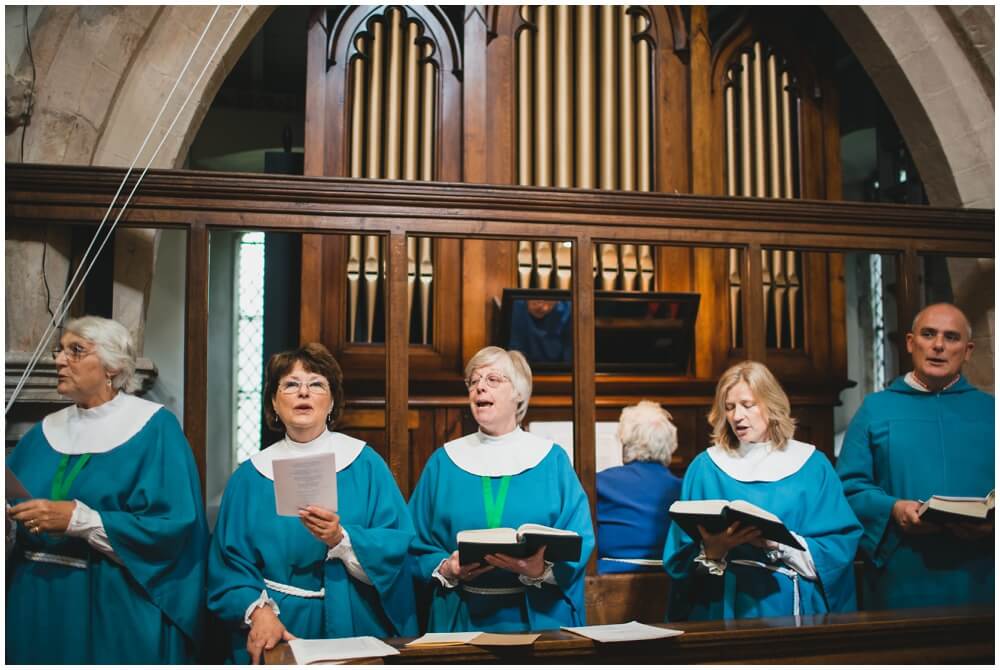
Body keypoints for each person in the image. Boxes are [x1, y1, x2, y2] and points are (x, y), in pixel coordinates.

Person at [6, 315, 208, 664]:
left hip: (113, 603)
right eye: (59, 350)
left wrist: (79, 520)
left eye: (75, 350)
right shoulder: (43, 432)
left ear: (112, 367)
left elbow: (174, 528)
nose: (58, 359)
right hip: (35, 598)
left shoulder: (154, 429)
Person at [207, 343, 417, 664]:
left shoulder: (364, 464)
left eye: (316, 384)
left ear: (332, 401)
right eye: (290, 385)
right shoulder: (249, 477)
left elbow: (396, 545)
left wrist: (342, 540)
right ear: (274, 403)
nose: (303, 393)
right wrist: (258, 611)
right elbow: (227, 564)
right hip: (279, 626)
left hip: (354, 619)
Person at [408, 346, 594, 632]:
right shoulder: (443, 462)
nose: (480, 386)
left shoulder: (551, 459)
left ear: (518, 392)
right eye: (474, 381)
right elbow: (412, 541)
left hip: (536, 618)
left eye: (493, 379)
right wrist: (447, 567)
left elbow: (580, 537)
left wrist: (541, 569)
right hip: (461, 617)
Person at [663, 361, 862, 620]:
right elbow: (679, 563)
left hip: (791, 606)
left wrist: (780, 544)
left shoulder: (813, 466)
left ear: (771, 404)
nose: (736, 416)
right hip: (724, 606)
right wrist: (714, 550)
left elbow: (837, 552)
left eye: (747, 405)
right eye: (729, 407)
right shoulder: (705, 468)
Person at [836, 303, 994, 609]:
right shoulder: (876, 409)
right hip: (903, 576)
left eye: (951, 337)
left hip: (983, 575)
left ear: (968, 350)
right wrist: (894, 509)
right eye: (928, 334)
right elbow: (849, 488)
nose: (938, 345)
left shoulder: (992, 412)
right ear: (910, 342)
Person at [596, 400, 683, 574]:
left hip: (608, 578)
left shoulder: (601, 482)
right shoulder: (682, 487)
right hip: (670, 580)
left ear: (626, 443)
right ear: (671, 445)